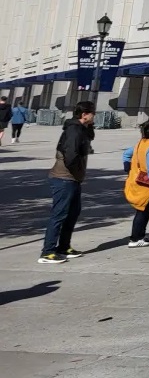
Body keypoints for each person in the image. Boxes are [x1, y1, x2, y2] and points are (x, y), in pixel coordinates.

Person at [38, 100, 96, 264]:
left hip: (73, 178)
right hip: (64, 177)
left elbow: (90, 136)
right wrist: (77, 170)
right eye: (93, 113)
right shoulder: (74, 131)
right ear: (84, 114)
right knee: (59, 214)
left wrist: (89, 125)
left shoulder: (81, 129)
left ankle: (63, 247)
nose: (95, 116)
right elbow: (70, 156)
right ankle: (47, 252)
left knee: (72, 213)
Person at [122, 120, 149, 247]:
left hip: (137, 181)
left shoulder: (141, 143)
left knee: (142, 210)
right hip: (146, 184)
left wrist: (128, 168)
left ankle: (140, 234)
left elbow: (126, 154)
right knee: (143, 210)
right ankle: (135, 238)